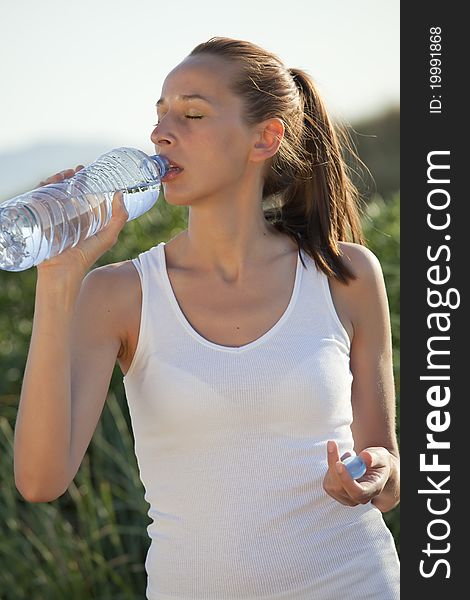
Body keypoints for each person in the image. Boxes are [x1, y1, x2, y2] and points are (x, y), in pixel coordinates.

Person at [14, 37, 400, 599]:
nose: (161, 133)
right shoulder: (119, 293)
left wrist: (374, 475)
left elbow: (385, 473)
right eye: (160, 113)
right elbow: (39, 481)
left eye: (192, 113)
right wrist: (58, 278)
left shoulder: (345, 274)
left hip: (354, 581)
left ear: (265, 138)